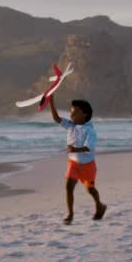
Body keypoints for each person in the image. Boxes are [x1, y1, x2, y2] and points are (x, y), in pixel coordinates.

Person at [49, 95, 107, 225]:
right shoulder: (70, 125)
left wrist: (74, 149)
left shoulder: (89, 131)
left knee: (90, 189)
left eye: (74, 114)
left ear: (84, 115)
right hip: (74, 163)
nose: (71, 117)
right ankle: (70, 214)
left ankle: (100, 205)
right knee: (69, 186)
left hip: (87, 165)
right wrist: (51, 101)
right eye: (71, 114)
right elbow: (56, 118)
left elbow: (88, 148)